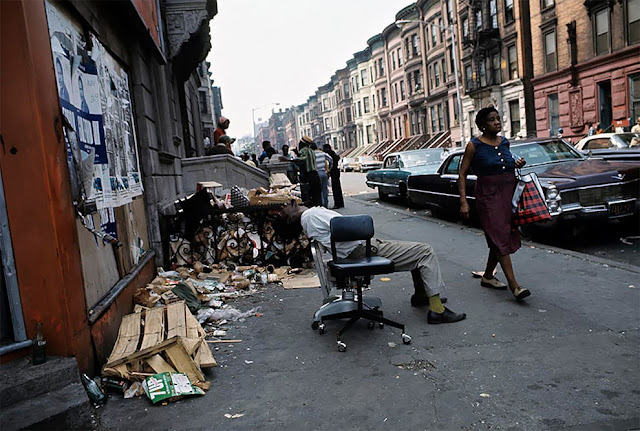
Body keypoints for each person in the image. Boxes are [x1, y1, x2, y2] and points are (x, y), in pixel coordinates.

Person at [276, 202, 466, 324]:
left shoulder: (308, 220)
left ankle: (422, 295)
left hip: (353, 251)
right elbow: (349, 226)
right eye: (289, 206)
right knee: (425, 251)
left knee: (416, 253)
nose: (292, 203)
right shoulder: (310, 216)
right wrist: (365, 224)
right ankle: (437, 310)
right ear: (292, 214)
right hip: (362, 251)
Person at [458, 107, 530, 301]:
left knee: (499, 236)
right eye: (492, 119)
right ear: (482, 125)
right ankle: (514, 286)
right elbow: (462, 174)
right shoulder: (474, 145)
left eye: (498, 118)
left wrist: (516, 164)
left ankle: (488, 276)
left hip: (508, 194)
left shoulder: (504, 142)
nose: (497, 122)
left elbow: (504, 163)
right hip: (488, 196)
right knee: (498, 235)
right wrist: (463, 202)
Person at [294, 136, 322, 207]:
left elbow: (302, 159)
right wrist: (297, 154)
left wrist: (290, 160)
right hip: (315, 175)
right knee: (317, 196)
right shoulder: (311, 151)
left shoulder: (304, 150)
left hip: (308, 176)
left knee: (308, 196)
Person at [323, 143, 344, 209]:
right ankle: (340, 203)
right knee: (337, 187)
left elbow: (330, 163)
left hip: (334, 171)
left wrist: (329, 170)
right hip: (336, 171)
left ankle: (337, 204)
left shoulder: (330, 155)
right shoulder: (333, 154)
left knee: (335, 188)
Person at [311, 142, 331, 207]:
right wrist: (329, 169)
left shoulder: (312, 154)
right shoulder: (322, 153)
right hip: (323, 172)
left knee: (319, 190)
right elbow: (330, 159)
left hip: (316, 173)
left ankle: (321, 205)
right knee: (324, 189)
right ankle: (326, 204)